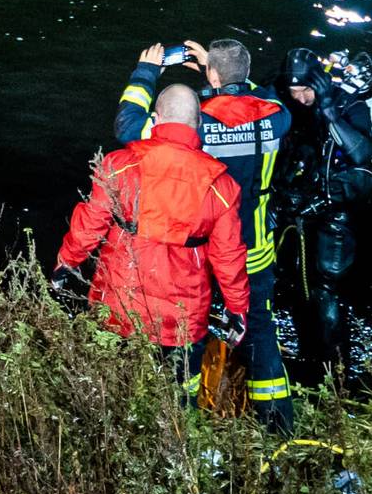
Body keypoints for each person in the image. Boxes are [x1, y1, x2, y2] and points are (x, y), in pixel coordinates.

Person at [117, 39, 297, 428]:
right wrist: (225, 77)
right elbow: (260, 97)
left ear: (211, 75)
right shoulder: (277, 117)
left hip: (199, 249)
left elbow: (129, 128)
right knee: (260, 330)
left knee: (189, 326)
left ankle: (184, 418)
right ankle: (278, 424)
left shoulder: (201, 122)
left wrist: (146, 72)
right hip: (254, 248)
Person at [56, 83, 252, 393]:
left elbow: (90, 222)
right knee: (179, 396)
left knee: (110, 392)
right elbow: (228, 257)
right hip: (182, 320)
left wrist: (66, 263)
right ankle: (175, 437)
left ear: (156, 119)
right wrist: (237, 309)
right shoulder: (221, 185)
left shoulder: (120, 164)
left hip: (119, 307)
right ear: (198, 123)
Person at [280, 48, 372, 385]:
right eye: (294, 92)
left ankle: (337, 375)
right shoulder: (289, 105)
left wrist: (328, 109)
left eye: (306, 90)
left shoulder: (345, 103)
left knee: (326, 290)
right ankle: (310, 358)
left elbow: (363, 154)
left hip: (335, 213)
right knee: (296, 287)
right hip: (299, 210)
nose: (301, 98)